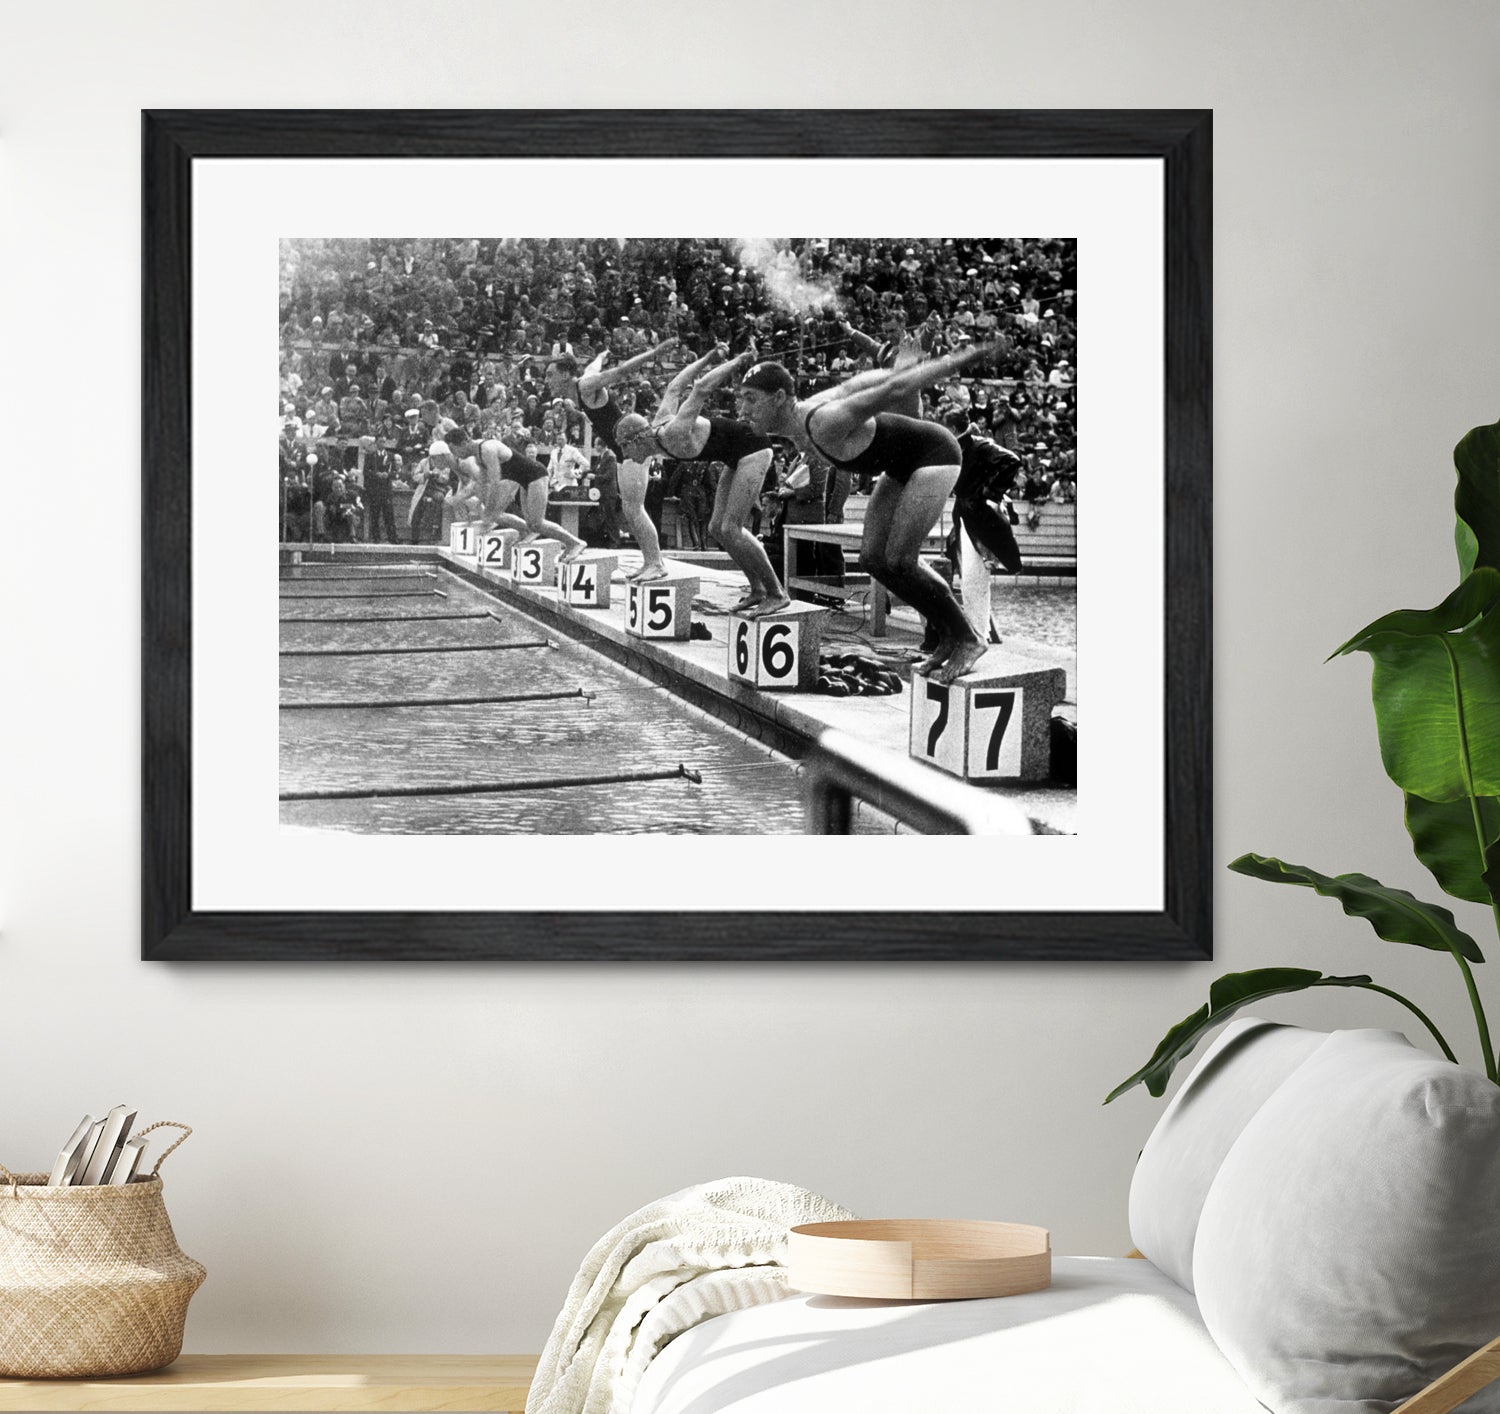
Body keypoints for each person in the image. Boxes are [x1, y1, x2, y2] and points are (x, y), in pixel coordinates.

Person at [733, 346, 996, 684]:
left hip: (935, 454)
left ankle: (969, 637)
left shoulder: (823, 421)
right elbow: (859, 382)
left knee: (901, 559)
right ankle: (948, 634)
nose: (743, 410)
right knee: (873, 559)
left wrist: (966, 357)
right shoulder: (805, 419)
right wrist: (895, 370)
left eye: (751, 399)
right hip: (899, 465)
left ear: (779, 397)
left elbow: (894, 391)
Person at [617, 349, 786, 616]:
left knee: (731, 527)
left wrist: (737, 361)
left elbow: (701, 388)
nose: (626, 457)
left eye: (625, 450)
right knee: (717, 529)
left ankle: (777, 592)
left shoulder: (673, 431)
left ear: (637, 439)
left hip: (753, 448)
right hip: (733, 455)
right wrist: (707, 358)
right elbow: (675, 386)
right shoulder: (660, 423)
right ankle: (757, 589)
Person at [545, 341, 678, 582]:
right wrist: (602, 354)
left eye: (550, 375)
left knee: (634, 509)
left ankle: (656, 563)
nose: (547, 380)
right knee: (630, 509)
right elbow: (595, 365)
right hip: (623, 448)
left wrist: (655, 354)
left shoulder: (586, 386)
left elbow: (621, 371)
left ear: (565, 374)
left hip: (632, 446)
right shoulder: (582, 383)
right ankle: (650, 562)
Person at [441, 427, 585, 561]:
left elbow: (495, 482)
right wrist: (460, 499)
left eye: (454, 450)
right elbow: (482, 482)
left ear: (464, 442)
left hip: (536, 476)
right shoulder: (478, 455)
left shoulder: (487, 449)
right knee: (532, 525)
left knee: (537, 523)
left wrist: (489, 512)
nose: (455, 455)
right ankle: (564, 543)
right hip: (523, 480)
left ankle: (575, 542)